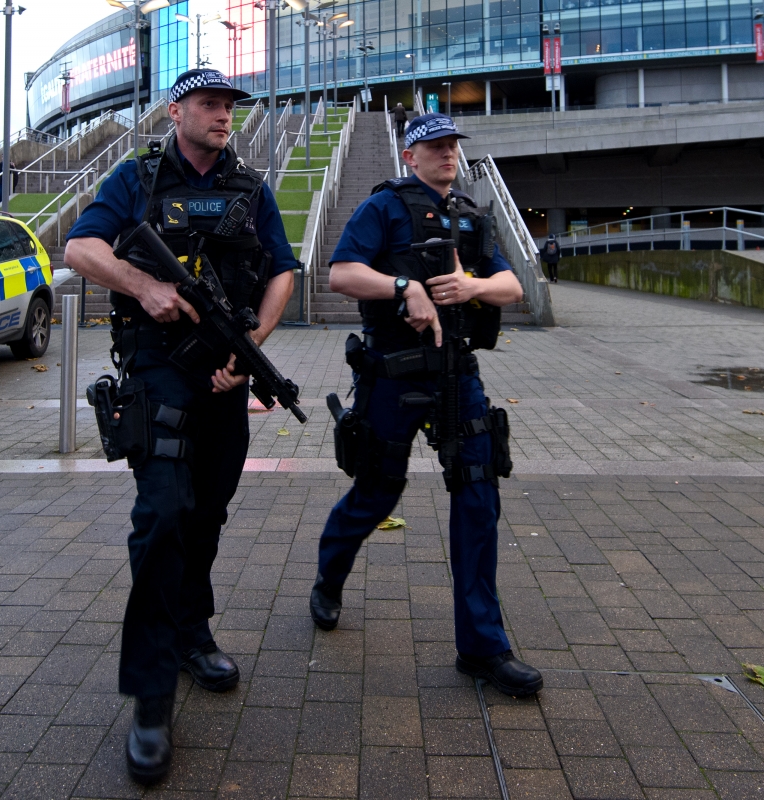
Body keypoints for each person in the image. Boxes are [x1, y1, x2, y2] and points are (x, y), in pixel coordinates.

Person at [64, 68, 296, 785]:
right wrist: (144, 285)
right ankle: (152, 698)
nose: (223, 115)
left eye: (230, 106)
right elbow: (79, 249)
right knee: (163, 514)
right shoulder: (134, 179)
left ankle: (192, 630)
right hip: (157, 371)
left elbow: (284, 268)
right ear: (177, 111)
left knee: (206, 518)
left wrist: (251, 343)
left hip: (224, 373)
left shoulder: (251, 188)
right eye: (209, 104)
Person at [310, 112, 543, 699]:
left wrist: (473, 288)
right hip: (393, 377)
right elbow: (341, 274)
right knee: (376, 493)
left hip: (457, 374)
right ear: (409, 155)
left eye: (452, 146)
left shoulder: (470, 214)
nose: (447, 155)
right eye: (434, 147)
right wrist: (404, 287)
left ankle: (483, 648)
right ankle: (329, 575)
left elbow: (512, 286)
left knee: (478, 497)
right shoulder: (382, 208)